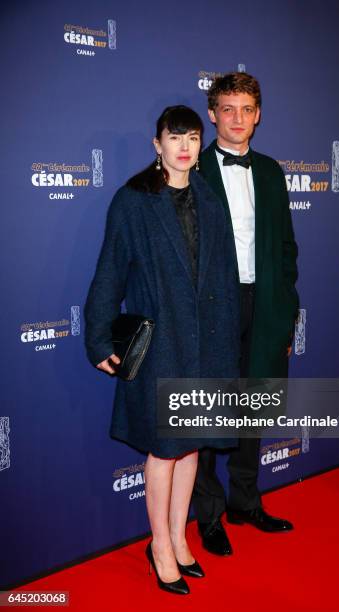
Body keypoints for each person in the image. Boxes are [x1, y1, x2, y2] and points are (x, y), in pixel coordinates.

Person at [84, 106, 240, 594]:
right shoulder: (132, 201)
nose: (185, 146)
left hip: (206, 344)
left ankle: (178, 536)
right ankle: (158, 544)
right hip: (163, 342)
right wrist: (97, 337)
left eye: (192, 136)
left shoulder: (210, 199)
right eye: (175, 137)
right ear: (157, 145)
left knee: (190, 445)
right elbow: (110, 271)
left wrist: (228, 342)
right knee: (163, 449)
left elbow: (225, 277)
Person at [192, 73, 299, 555]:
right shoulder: (190, 170)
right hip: (213, 305)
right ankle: (209, 515)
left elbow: (285, 248)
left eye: (247, 109)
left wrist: (285, 310)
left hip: (264, 302)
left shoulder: (274, 172)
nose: (238, 119)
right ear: (212, 114)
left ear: (258, 114)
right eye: (228, 109)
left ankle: (245, 501)